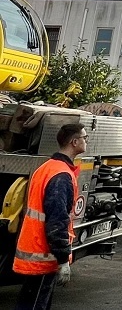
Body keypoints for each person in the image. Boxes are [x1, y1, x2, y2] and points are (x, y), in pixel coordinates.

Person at [13, 122, 87, 310]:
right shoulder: (61, 175)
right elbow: (57, 221)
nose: (87, 141)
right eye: (85, 138)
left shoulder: (48, 167)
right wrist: (63, 260)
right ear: (74, 141)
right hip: (43, 254)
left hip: (35, 249)